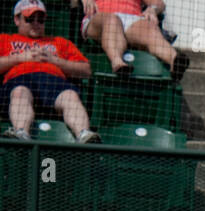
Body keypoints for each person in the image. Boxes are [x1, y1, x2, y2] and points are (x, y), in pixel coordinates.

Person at [1, 1, 98, 142]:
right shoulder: (4, 40)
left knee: (70, 95)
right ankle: (21, 133)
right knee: (20, 92)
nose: (36, 23)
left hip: (53, 82)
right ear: (17, 19)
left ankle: (84, 135)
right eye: (29, 19)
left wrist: (55, 61)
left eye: (40, 19)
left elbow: (86, 70)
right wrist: (20, 58)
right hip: (19, 80)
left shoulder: (60, 42)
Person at [80, 0, 187, 80]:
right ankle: (117, 62)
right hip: (100, 15)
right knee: (112, 20)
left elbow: (159, 3)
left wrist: (152, 9)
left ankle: (175, 60)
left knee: (150, 28)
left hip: (131, 18)